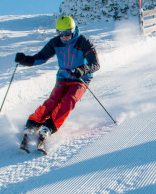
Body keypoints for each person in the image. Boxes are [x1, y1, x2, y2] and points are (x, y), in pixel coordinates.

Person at [14, 16, 100, 152]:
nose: (64, 37)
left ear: (73, 30)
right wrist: (25, 60)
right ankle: (33, 123)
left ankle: (49, 127)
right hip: (63, 77)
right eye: (60, 33)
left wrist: (82, 69)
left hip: (80, 78)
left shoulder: (83, 42)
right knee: (53, 100)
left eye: (66, 33)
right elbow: (41, 57)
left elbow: (95, 64)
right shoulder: (55, 42)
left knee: (68, 101)